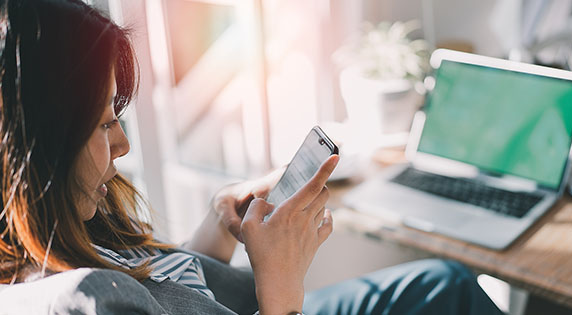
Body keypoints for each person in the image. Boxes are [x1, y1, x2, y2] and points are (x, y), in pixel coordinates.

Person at [0, 0, 503, 314]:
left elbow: (173, 291)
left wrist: (216, 228)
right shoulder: (78, 300)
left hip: (247, 300)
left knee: (444, 282)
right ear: (41, 146)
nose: (124, 144)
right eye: (105, 122)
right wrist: (282, 286)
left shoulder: (61, 223)